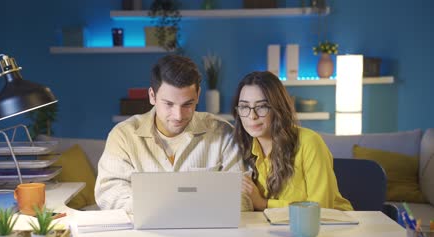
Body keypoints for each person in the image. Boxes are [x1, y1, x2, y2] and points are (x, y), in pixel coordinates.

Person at [95, 54, 244, 213]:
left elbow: (243, 196)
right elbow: (108, 192)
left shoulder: (223, 133)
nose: (178, 115)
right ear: (152, 96)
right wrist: (160, 207)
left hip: (208, 233)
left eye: (187, 104)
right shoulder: (123, 135)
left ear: (198, 95)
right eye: (169, 104)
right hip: (143, 234)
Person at [233, 71, 353, 211]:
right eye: (244, 107)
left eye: (262, 107)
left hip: (333, 226)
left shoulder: (309, 142)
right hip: (275, 227)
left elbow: (320, 208)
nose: (252, 116)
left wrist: (264, 203)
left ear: (277, 108)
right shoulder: (242, 148)